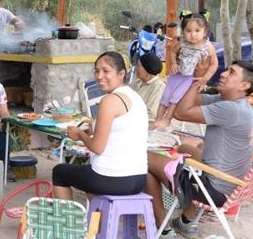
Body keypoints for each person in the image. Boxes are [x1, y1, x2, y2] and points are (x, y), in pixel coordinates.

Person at [145, 61, 253, 239]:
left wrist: (196, 80)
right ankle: (186, 222)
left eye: (231, 73)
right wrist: (197, 79)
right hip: (229, 185)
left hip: (213, 190)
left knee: (143, 160)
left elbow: (180, 113)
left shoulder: (230, 109)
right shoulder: (231, 102)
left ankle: (163, 228)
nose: (223, 74)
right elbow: (188, 100)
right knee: (185, 148)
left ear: (244, 85)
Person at [51, 51, 148, 201]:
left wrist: (80, 135)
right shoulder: (135, 97)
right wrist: (92, 130)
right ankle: (98, 222)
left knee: (59, 172)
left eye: (106, 71)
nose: (99, 76)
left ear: (121, 74)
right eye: (96, 71)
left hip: (113, 178)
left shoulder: (109, 100)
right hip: (138, 179)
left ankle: (68, 224)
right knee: (88, 173)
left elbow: (97, 147)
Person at [153, 13, 218, 130]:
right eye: (188, 31)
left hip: (189, 78)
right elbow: (172, 52)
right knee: (166, 95)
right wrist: (173, 63)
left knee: (175, 98)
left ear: (205, 31)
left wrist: (205, 78)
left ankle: (167, 120)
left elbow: (214, 64)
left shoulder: (207, 47)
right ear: (183, 32)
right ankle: (158, 119)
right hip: (176, 74)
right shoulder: (182, 43)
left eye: (197, 30)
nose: (193, 34)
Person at [132, 51, 165, 118]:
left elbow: (151, 113)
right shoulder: (138, 82)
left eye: (138, 65)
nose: (136, 68)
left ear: (147, 68)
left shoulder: (158, 87)